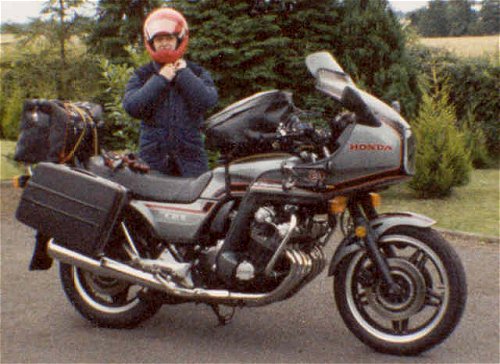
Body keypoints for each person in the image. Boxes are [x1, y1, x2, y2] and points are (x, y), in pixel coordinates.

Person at [123, 7, 218, 177]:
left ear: (179, 39)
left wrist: (183, 74)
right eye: (159, 39)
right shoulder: (142, 74)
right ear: (151, 42)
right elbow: (131, 107)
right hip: (153, 160)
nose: (164, 43)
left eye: (169, 38)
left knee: (198, 202)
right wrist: (160, 79)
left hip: (192, 160)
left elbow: (208, 101)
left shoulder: (195, 72)